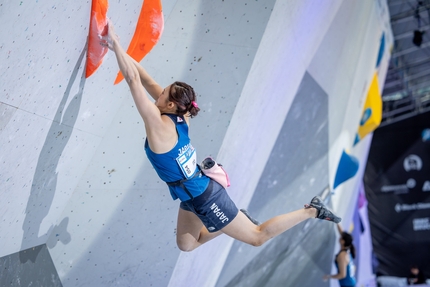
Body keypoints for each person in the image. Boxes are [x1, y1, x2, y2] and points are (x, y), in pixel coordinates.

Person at [101, 20, 341, 252]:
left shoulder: (159, 125)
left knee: (257, 237)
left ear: (172, 105)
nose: (159, 93)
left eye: (163, 93)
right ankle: (238, 217)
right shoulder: (180, 116)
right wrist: (115, 48)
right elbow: (145, 78)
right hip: (194, 191)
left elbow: (133, 80)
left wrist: (115, 44)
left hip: (205, 196)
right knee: (186, 244)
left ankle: (313, 210)